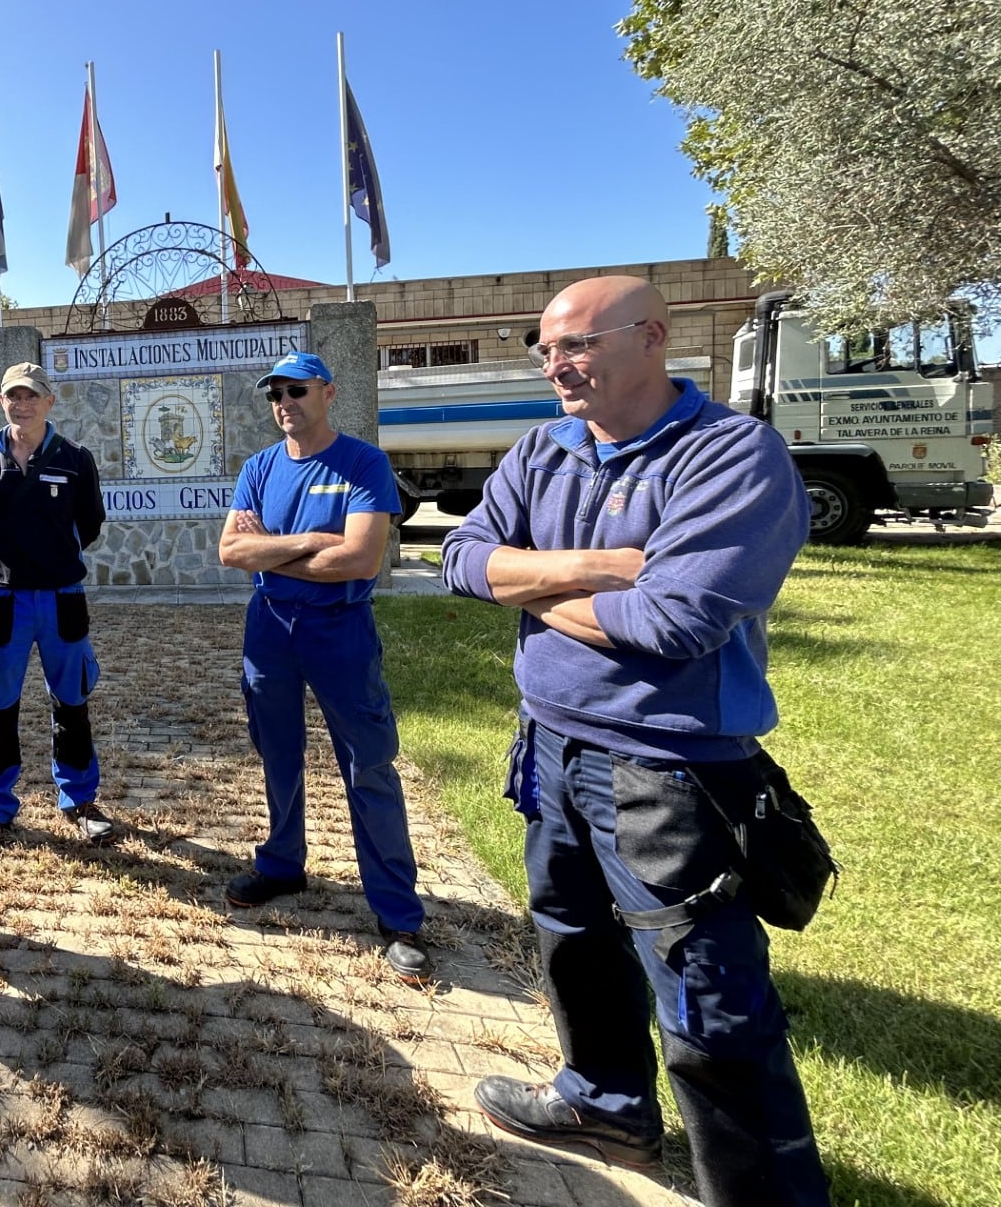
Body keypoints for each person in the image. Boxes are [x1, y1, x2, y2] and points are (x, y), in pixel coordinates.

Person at [441, 276, 827, 1204]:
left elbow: (674, 622)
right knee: (571, 936)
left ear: (653, 337)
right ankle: (604, 1101)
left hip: (671, 769)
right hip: (549, 745)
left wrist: (526, 582)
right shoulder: (544, 450)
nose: (556, 365)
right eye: (545, 349)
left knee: (707, 1001)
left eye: (575, 344)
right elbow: (459, 560)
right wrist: (598, 571)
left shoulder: (731, 457)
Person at [217, 350, 431, 986]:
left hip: (340, 630)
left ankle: (398, 914)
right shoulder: (259, 467)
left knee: (367, 764)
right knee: (276, 753)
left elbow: (362, 561)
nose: (284, 401)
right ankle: (282, 863)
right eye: (274, 393)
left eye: (296, 389)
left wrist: (272, 552)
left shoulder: (363, 463)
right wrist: (312, 541)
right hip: (270, 629)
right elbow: (230, 550)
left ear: (328, 393)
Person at [0, 362, 113, 857]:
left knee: (72, 701)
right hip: (2, 601)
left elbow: (89, 523)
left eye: (30, 396)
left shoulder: (75, 459)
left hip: (62, 597)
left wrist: (50, 561)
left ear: (49, 400)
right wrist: (3, 568)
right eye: (11, 397)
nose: (21, 404)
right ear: (2, 401)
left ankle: (80, 800)